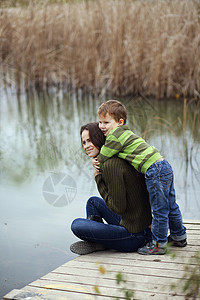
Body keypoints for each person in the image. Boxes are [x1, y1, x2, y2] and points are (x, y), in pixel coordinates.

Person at [94, 99, 187, 255]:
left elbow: (103, 158)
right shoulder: (127, 133)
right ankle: (179, 235)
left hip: (154, 170)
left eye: (106, 122)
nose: (101, 126)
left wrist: (95, 163)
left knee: (159, 209)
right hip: (163, 165)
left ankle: (158, 243)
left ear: (120, 122)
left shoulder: (114, 136)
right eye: (99, 122)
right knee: (171, 205)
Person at [70, 122, 152, 255]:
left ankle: (101, 242)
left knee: (77, 225)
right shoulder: (115, 156)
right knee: (93, 203)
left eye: (90, 140)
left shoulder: (110, 166)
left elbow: (118, 207)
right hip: (131, 220)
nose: (86, 146)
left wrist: (98, 178)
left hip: (136, 236)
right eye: (84, 142)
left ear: (99, 138)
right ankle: (101, 240)